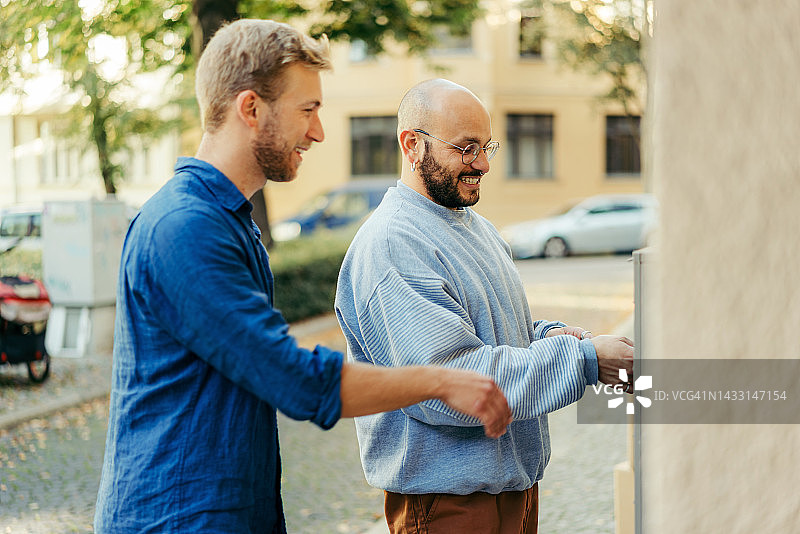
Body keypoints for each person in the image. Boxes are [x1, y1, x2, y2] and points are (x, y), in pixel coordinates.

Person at [94, 23, 513, 533]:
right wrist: (441, 379)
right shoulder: (186, 227)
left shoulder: (227, 222)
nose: (318, 133)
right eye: (308, 110)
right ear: (251, 109)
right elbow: (293, 379)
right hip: (176, 518)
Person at [334, 78, 635, 534]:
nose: (482, 164)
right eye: (466, 147)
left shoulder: (476, 227)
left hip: (513, 491)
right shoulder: (394, 244)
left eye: (487, 146)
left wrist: (549, 335)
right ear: (412, 145)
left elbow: (494, 331)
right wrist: (586, 360)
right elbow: (455, 383)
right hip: (449, 505)